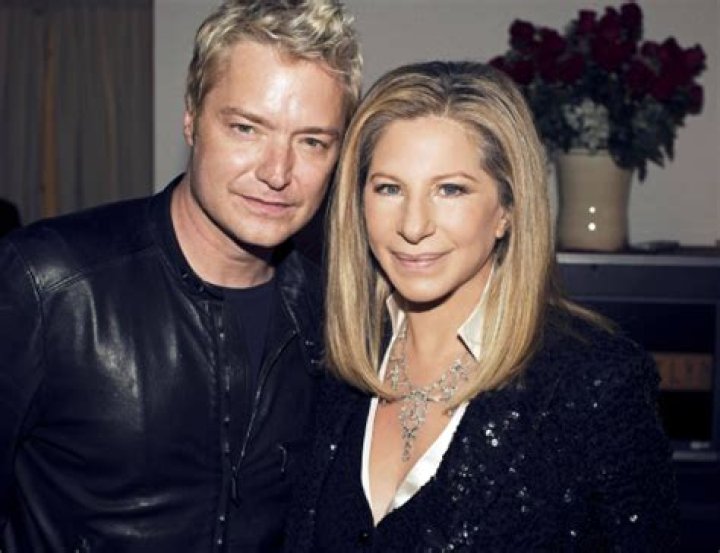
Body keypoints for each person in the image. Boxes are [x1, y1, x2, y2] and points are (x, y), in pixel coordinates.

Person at [0, 1, 361, 551]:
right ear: (191, 118)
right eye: (246, 128)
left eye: (312, 141)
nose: (277, 172)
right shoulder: (48, 282)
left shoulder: (334, 314)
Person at [286, 61, 678, 551]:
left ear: (507, 209)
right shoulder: (327, 357)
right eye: (389, 188)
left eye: (450, 189)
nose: (413, 225)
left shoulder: (595, 382)